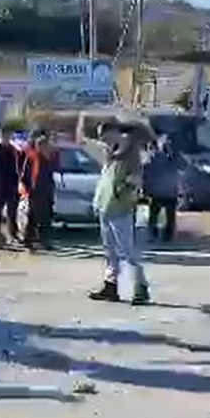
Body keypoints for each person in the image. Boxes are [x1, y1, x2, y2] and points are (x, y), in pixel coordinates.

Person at [88, 125, 151, 305]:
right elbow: (105, 179)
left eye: (105, 136)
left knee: (127, 251)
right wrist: (98, 201)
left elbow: (135, 182)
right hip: (105, 207)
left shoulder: (131, 155)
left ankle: (141, 287)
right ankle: (111, 286)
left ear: (114, 133)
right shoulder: (112, 153)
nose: (103, 141)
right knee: (110, 251)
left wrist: (121, 192)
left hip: (120, 209)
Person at [142, 131, 187, 243]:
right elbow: (147, 171)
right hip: (157, 191)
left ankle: (168, 236)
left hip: (170, 191)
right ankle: (153, 233)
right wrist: (146, 187)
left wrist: (173, 155)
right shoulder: (154, 156)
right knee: (154, 214)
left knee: (170, 215)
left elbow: (183, 166)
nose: (168, 146)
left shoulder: (175, 156)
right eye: (166, 143)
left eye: (170, 144)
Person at [19, 129, 59, 251]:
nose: (47, 148)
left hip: (47, 191)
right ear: (39, 147)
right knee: (32, 218)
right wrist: (27, 191)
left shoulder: (50, 159)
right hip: (35, 192)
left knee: (46, 218)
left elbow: (53, 172)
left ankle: (45, 241)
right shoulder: (32, 158)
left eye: (48, 146)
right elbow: (25, 175)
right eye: (45, 146)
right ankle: (28, 241)